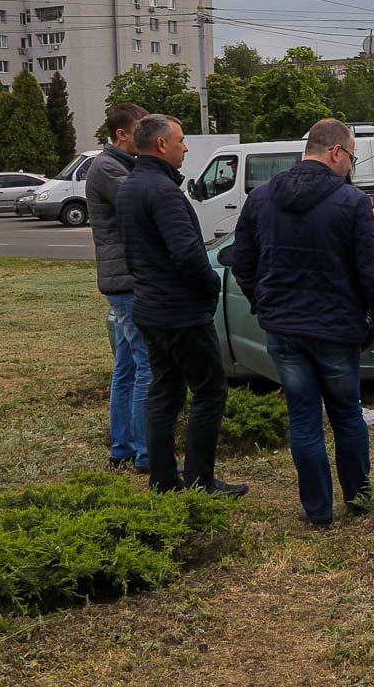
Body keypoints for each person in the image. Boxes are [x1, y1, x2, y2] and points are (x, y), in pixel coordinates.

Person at [231, 118, 374, 528]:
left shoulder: (261, 198)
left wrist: (263, 303)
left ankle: (318, 511)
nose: (351, 166)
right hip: (337, 330)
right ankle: (358, 500)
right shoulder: (353, 202)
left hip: (284, 329)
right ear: (335, 152)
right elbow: (373, 272)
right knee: (346, 416)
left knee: (302, 419)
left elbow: (241, 262)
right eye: (351, 157)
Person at [116, 114, 248, 498]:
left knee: (165, 392)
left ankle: (163, 480)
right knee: (209, 391)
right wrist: (210, 286)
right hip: (180, 311)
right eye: (181, 140)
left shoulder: (131, 186)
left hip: (150, 307)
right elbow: (187, 254)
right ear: (161, 144)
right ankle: (200, 481)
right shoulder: (162, 191)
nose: (186, 147)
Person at [86, 103, 150, 474]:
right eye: (140, 130)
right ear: (121, 134)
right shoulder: (108, 167)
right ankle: (145, 453)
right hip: (126, 279)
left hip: (123, 277)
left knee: (126, 366)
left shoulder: (122, 165)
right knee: (146, 366)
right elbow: (143, 201)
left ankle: (123, 447)